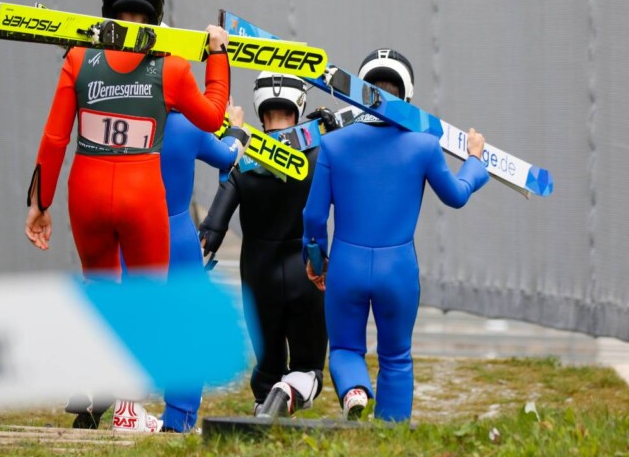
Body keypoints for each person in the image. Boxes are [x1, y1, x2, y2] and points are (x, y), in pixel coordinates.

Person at [22, 0, 230, 429]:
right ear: (156, 20)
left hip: (86, 190)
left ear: (106, 14)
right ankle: (130, 411)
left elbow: (55, 138)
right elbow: (214, 118)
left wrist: (39, 203)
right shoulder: (172, 67)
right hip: (141, 193)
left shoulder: (78, 58)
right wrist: (218, 56)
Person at [302, 48, 489, 422]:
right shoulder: (423, 146)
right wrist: (475, 163)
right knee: (397, 357)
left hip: (347, 266)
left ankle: (355, 390)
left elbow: (313, 215)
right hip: (399, 268)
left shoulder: (334, 144)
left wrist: (316, 258)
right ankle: (391, 432)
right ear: (407, 96)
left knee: (343, 348)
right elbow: (455, 196)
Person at [198, 72, 333, 417]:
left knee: (268, 364)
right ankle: (287, 392)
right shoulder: (321, 155)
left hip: (258, 276)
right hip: (308, 272)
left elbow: (212, 229)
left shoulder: (242, 159)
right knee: (308, 368)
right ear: (299, 103)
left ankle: (265, 404)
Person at [148, 104, 250, 433]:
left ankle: (98, 393)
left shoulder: (128, 114)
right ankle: (178, 417)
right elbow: (228, 156)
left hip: (130, 226)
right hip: (176, 232)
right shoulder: (186, 125)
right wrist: (236, 128)